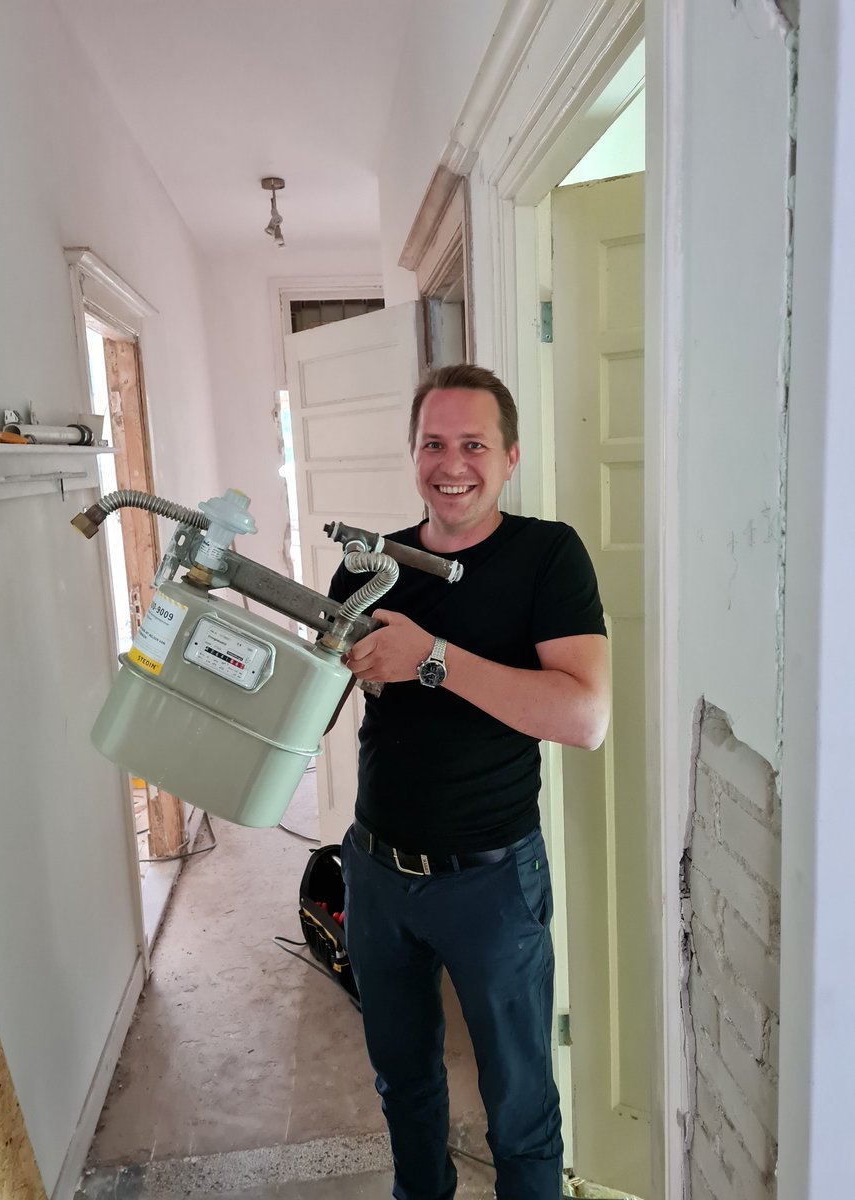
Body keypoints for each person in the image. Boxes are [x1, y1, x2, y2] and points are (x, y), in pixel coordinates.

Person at [327, 363, 610, 1200]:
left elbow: (585, 718)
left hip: (491, 883)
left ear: (511, 457)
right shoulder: (368, 568)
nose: (452, 465)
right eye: (433, 444)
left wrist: (434, 659)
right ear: (413, 454)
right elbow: (322, 707)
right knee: (404, 1086)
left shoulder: (546, 556)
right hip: (376, 873)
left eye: (474, 445)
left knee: (520, 1109)